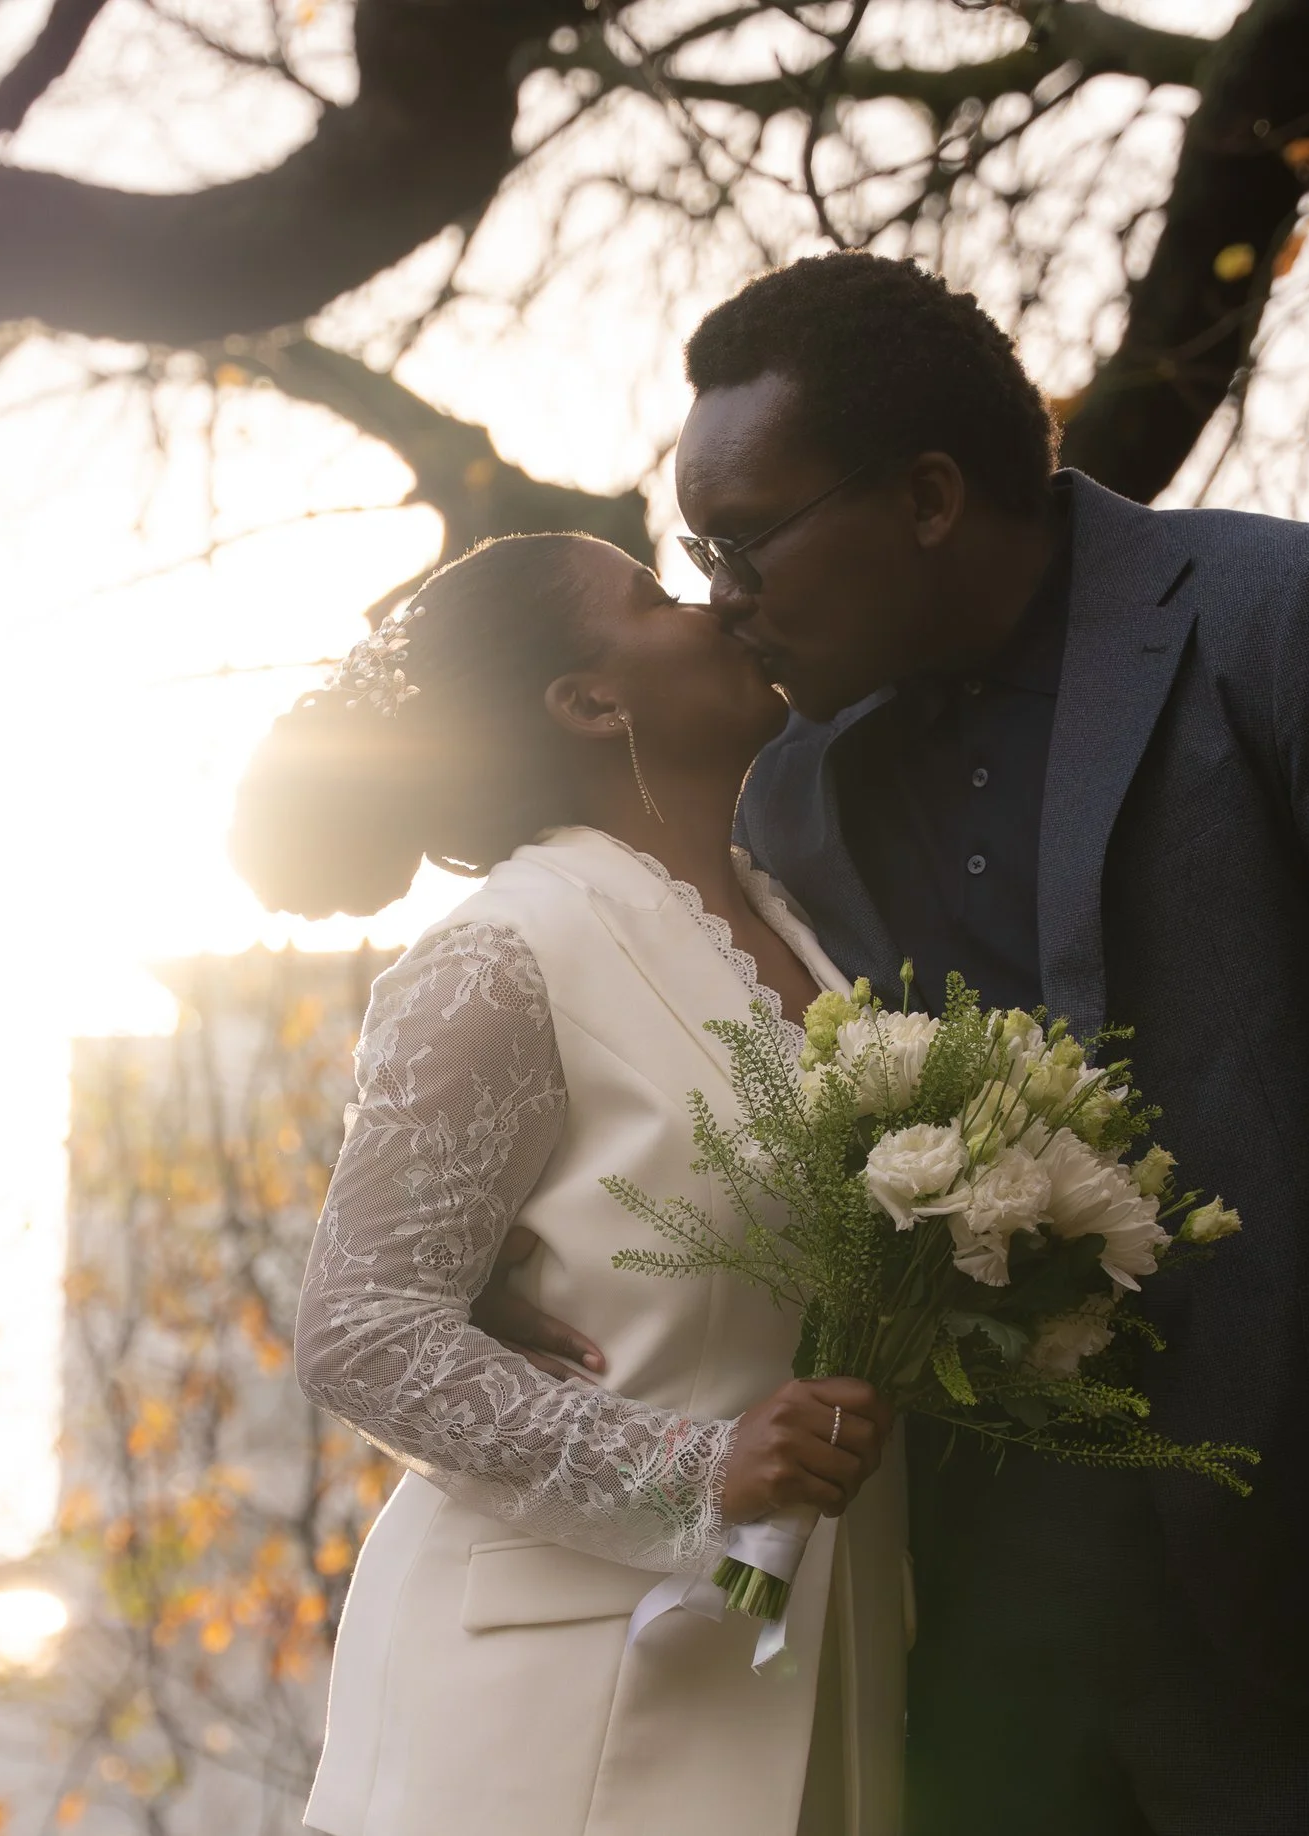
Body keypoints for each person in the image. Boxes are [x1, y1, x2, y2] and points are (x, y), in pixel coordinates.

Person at [477, 253, 1309, 1834]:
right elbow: (670, 1070)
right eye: (693, 554)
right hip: (959, 1639)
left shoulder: (1289, 619)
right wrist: (502, 1259)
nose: (722, 593)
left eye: (743, 541)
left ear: (930, 495)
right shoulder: (786, 796)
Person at [235, 533, 909, 1836]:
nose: (715, 608)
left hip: (815, 1679)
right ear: (590, 702)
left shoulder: (805, 931)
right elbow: (363, 1328)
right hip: (554, 1710)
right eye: (656, 598)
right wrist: (696, 1470)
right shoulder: (501, 952)